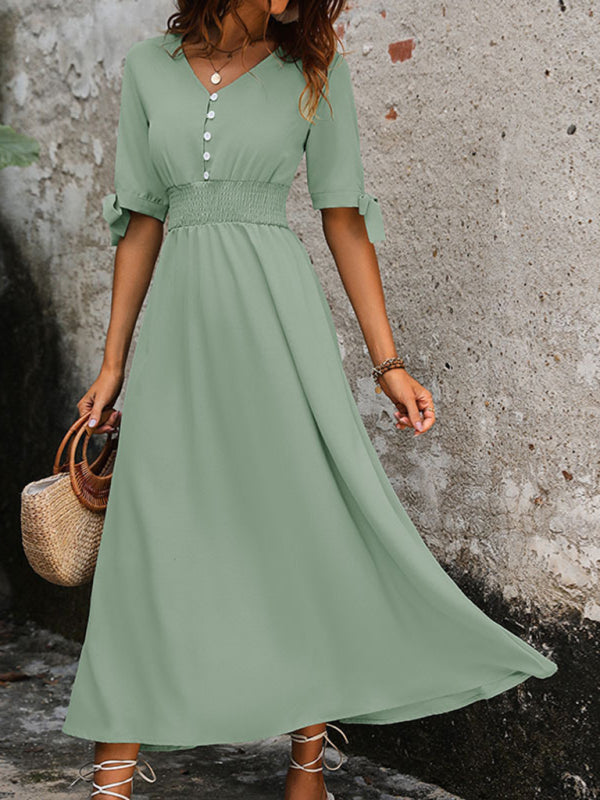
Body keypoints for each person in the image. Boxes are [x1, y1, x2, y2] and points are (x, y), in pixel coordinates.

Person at [61, 1, 558, 798]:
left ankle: (307, 765)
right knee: (147, 538)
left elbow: (345, 219)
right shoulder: (147, 68)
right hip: (179, 333)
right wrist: (115, 361)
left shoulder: (315, 73)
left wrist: (387, 363)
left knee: (297, 526)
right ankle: (111, 782)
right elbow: (142, 222)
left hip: (276, 325)